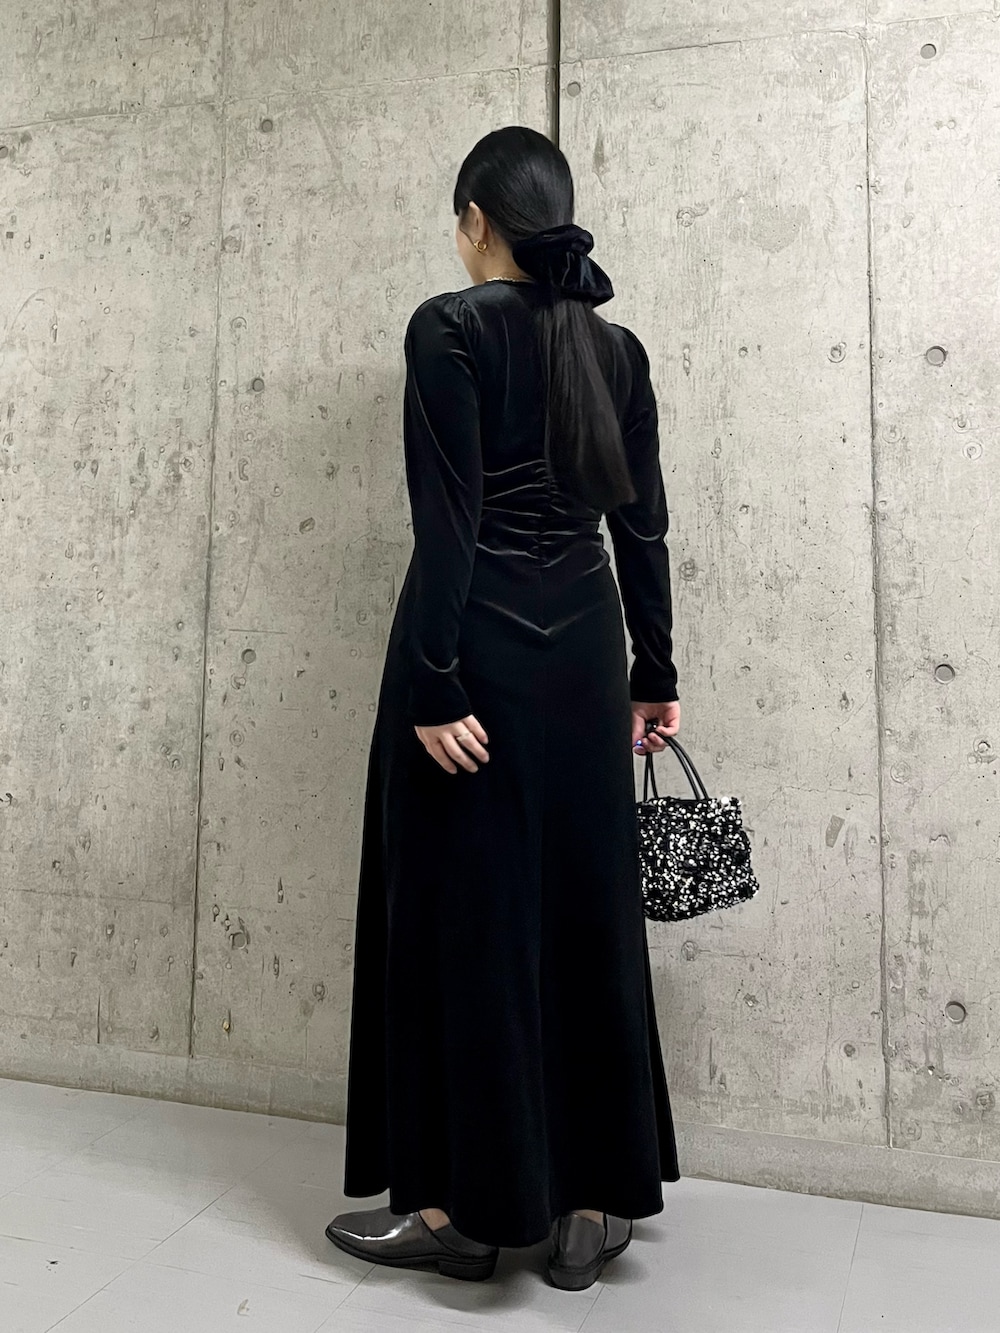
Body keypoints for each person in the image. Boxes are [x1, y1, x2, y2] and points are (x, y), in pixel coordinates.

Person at [326, 125, 682, 1292]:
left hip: (469, 650)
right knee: (585, 912)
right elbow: (641, 525)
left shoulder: (449, 327)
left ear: (477, 221)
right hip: (582, 653)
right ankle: (590, 1207)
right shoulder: (616, 349)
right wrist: (654, 673)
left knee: (463, 921)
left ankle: (458, 1211)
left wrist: (434, 676)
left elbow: (450, 518)